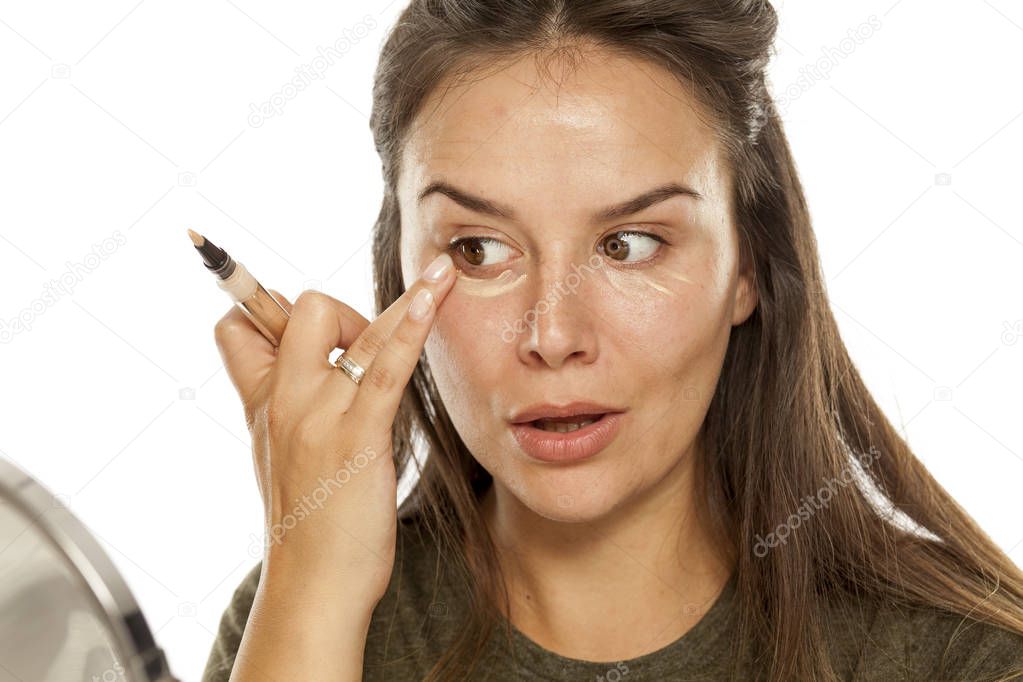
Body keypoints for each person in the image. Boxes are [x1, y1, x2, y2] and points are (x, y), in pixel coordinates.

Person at [201, 1, 1023, 680]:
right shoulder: (304, 615)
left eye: (628, 244)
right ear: (398, 276)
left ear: (747, 267)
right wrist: (308, 583)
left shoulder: (962, 662)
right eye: (477, 250)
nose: (553, 337)